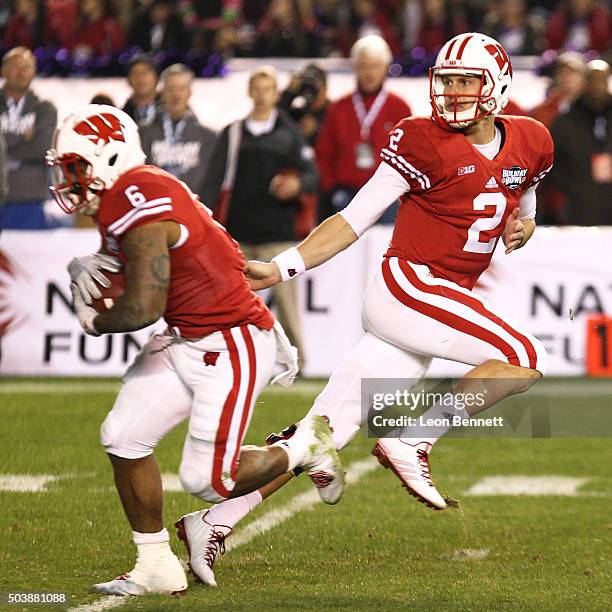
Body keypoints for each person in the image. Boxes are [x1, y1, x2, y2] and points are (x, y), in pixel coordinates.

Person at [185, 32, 554, 587]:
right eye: (446, 80)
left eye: (465, 82)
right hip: (411, 285)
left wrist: (524, 223)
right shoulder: (422, 139)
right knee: (523, 355)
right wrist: (285, 265)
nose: (452, 92)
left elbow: (523, 192)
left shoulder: (531, 139)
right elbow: (353, 219)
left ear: (496, 87)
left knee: (322, 434)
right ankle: (414, 439)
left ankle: (212, 521)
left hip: (437, 299)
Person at [46, 104, 343, 596]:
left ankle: (301, 447)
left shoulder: (135, 195)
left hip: (231, 340)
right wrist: (100, 263)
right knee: (123, 435)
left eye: (76, 166)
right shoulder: (132, 193)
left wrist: (94, 318)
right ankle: (155, 563)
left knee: (209, 480)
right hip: (188, 335)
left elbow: (143, 305)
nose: (71, 179)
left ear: (109, 156)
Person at [201, 66, 318, 369]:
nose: (263, 95)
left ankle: (299, 363)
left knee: (288, 308)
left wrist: (297, 185)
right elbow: (213, 180)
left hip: (277, 235)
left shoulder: (289, 133)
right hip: (237, 233)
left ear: (276, 94)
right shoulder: (234, 132)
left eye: (268, 89)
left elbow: (312, 176)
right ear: (250, 92)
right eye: (258, 88)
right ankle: (223, 359)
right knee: (227, 304)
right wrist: (204, 218)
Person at [315, 35, 411, 222]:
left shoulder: (399, 107)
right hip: (346, 193)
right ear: (355, 67)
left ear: (385, 68)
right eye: (364, 66)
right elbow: (324, 152)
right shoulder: (338, 107)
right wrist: (331, 187)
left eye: (375, 66)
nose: (370, 73)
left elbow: (410, 155)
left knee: (386, 248)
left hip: (387, 195)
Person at [548, 59, 612, 225]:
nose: (597, 86)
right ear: (585, 83)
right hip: (578, 210)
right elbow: (552, 164)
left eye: (602, 79)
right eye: (593, 80)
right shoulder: (564, 122)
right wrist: (575, 188)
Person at [0, 47, 57, 229]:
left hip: (29, 197)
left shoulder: (45, 109)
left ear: (33, 71)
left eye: (27, 67)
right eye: (16, 66)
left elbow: (41, 148)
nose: (21, 72)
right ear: (3, 70)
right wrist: (23, 137)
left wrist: (4, 141)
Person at [139, 63, 216, 197]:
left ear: (189, 92)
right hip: (155, 208)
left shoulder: (208, 136)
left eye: (181, 88)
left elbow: (212, 181)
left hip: (194, 210)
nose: (176, 95)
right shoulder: (143, 133)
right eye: (171, 89)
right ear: (162, 92)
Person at [122, 53, 161, 127]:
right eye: (135, 73)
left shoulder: (172, 110)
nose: (140, 79)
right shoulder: (122, 116)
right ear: (129, 80)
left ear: (156, 77)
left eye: (144, 73)